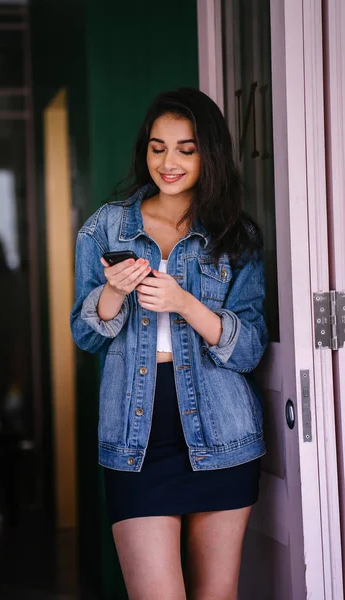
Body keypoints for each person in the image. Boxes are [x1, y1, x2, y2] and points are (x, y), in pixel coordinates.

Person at [70, 87, 268, 600]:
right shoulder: (104, 229)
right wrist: (112, 294)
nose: (169, 162)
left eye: (186, 148)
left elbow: (249, 350)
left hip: (222, 434)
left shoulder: (236, 235)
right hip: (136, 438)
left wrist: (184, 303)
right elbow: (85, 334)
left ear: (210, 153)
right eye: (158, 147)